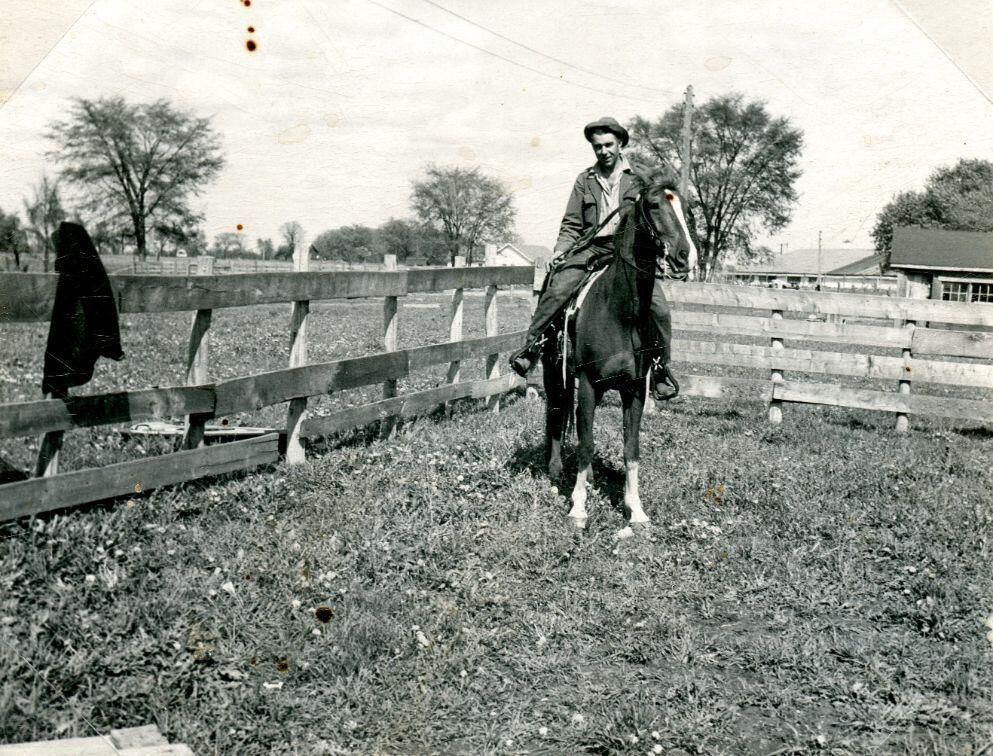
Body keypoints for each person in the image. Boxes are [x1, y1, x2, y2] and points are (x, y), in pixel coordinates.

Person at [508, 116, 679, 400]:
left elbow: (657, 213)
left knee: (659, 307)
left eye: (609, 145)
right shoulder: (585, 180)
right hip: (591, 249)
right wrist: (561, 250)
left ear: (620, 143)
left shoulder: (639, 178)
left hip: (629, 254)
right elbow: (571, 224)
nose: (604, 151)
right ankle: (532, 347)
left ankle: (661, 369)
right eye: (598, 146)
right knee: (558, 288)